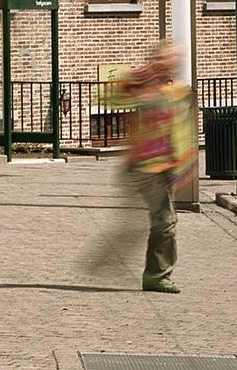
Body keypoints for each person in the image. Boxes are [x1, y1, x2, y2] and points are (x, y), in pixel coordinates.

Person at [86, 40, 193, 293]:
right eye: (168, 57)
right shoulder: (143, 89)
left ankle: (113, 263)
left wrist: (184, 165)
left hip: (165, 167)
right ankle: (155, 275)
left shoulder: (176, 93)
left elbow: (183, 131)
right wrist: (134, 78)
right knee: (164, 221)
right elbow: (106, 99)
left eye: (176, 58)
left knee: (151, 222)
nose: (173, 61)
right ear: (156, 60)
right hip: (143, 167)